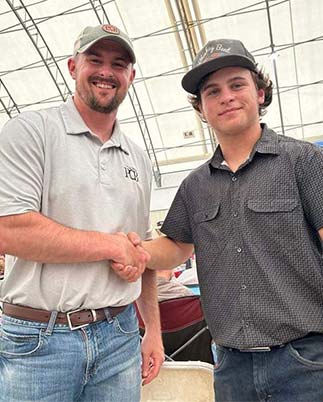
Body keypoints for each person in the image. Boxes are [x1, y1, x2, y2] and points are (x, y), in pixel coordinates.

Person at [113, 39, 323, 401]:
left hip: (305, 362)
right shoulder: (194, 186)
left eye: (237, 85)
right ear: (201, 108)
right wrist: (130, 249)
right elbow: (175, 246)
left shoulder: (302, 162)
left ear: (259, 92)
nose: (226, 97)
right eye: (212, 91)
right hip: (230, 367)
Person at [0, 24, 164, 402]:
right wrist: (111, 246)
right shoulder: (31, 132)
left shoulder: (138, 157)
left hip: (119, 334)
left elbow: (143, 251)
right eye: (95, 59)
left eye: (119, 64)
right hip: (38, 341)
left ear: (131, 77)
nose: (106, 71)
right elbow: (10, 230)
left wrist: (152, 330)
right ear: (73, 66)